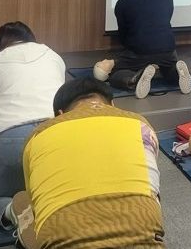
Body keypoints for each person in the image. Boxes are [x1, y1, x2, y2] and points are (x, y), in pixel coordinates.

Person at [19, 78, 164, 247]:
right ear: (112, 105)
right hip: (144, 233)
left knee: (21, 203)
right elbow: (152, 186)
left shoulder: (38, 135)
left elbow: (34, 204)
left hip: (62, 235)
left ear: (60, 114)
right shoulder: (140, 123)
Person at [0, 22, 65, 231]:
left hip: (13, 139)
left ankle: (10, 210)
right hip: (56, 134)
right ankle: (49, 205)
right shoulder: (53, 55)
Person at [94, 0, 191, 98]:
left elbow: (123, 34)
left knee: (115, 73)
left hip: (140, 51)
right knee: (167, 68)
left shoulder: (123, 2)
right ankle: (177, 73)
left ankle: (134, 78)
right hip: (168, 48)